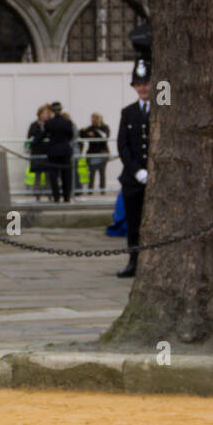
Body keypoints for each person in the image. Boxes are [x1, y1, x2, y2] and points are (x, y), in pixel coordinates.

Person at [116, 59, 151, 278]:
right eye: (138, 84)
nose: (143, 87)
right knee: (133, 222)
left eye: (146, 82)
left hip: (154, 176)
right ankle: (133, 260)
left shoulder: (162, 108)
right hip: (133, 178)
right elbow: (123, 145)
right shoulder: (128, 112)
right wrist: (137, 170)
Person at [41, 101, 74, 203]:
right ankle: (66, 197)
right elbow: (71, 136)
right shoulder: (67, 122)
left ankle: (56, 197)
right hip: (65, 151)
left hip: (53, 151)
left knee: (54, 176)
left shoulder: (49, 123)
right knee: (66, 175)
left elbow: (45, 134)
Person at [79, 112, 111, 195]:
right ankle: (90, 189)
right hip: (92, 153)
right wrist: (82, 131)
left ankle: (102, 189)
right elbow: (83, 136)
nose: (94, 121)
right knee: (91, 172)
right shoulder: (90, 128)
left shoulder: (104, 127)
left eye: (96, 119)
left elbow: (105, 136)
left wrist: (96, 131)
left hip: (102, 152)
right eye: (92, 119)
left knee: (102, 172)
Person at [26, 104, 50, 201]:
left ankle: (49, 194)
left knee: (48, 175)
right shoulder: (34, 125)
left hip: (47, 153)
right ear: (39, 114)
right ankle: (37, 194)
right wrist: (43, 135)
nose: (45, 115)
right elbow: (32, 138)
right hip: (37, 152)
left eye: (46, 113)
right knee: (38, 175)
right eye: (43, 113)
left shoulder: (49, 124)